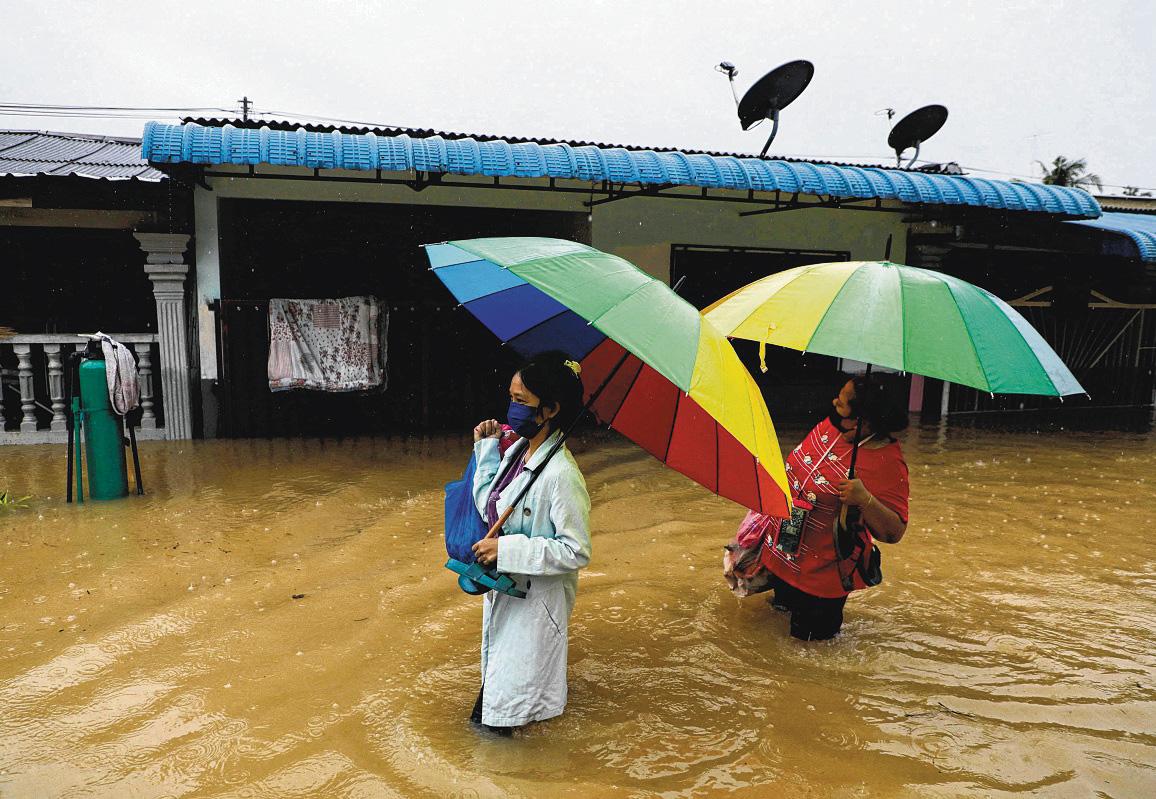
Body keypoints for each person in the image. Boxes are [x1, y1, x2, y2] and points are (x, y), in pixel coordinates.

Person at [468, 351, 591, 733]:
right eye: (511, 398)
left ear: (550, 409)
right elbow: (491, 505)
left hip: (537, 604)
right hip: (507, 593)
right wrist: (487, 449)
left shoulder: (561, 475)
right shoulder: (519, 450)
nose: (512, 409)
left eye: (522, 402)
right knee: (497, 703)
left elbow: (577, 550)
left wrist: (507, 550)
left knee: (498, 718)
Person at [736, 373, 910, 641]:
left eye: (841, 404)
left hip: (822, 577)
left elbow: (894, 532)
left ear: (863, 418)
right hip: (784, 555)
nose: (833, 404)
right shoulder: (831, 426)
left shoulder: (887, 462)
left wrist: (864, 499)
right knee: (770, 631)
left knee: (805, 654)